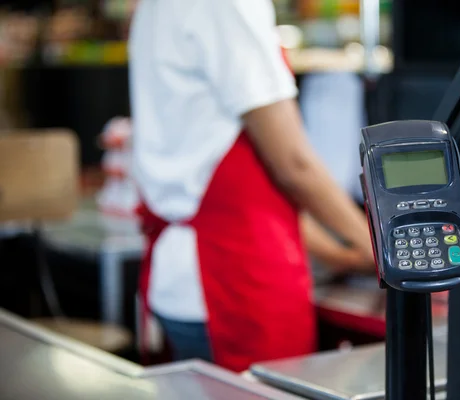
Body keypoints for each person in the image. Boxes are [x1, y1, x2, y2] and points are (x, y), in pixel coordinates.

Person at [128, 0, 374, 373]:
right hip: (231, 282)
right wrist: (380, 248)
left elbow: (254, 179)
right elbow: (293, 164)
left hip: (183, 277)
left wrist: (341, 255)